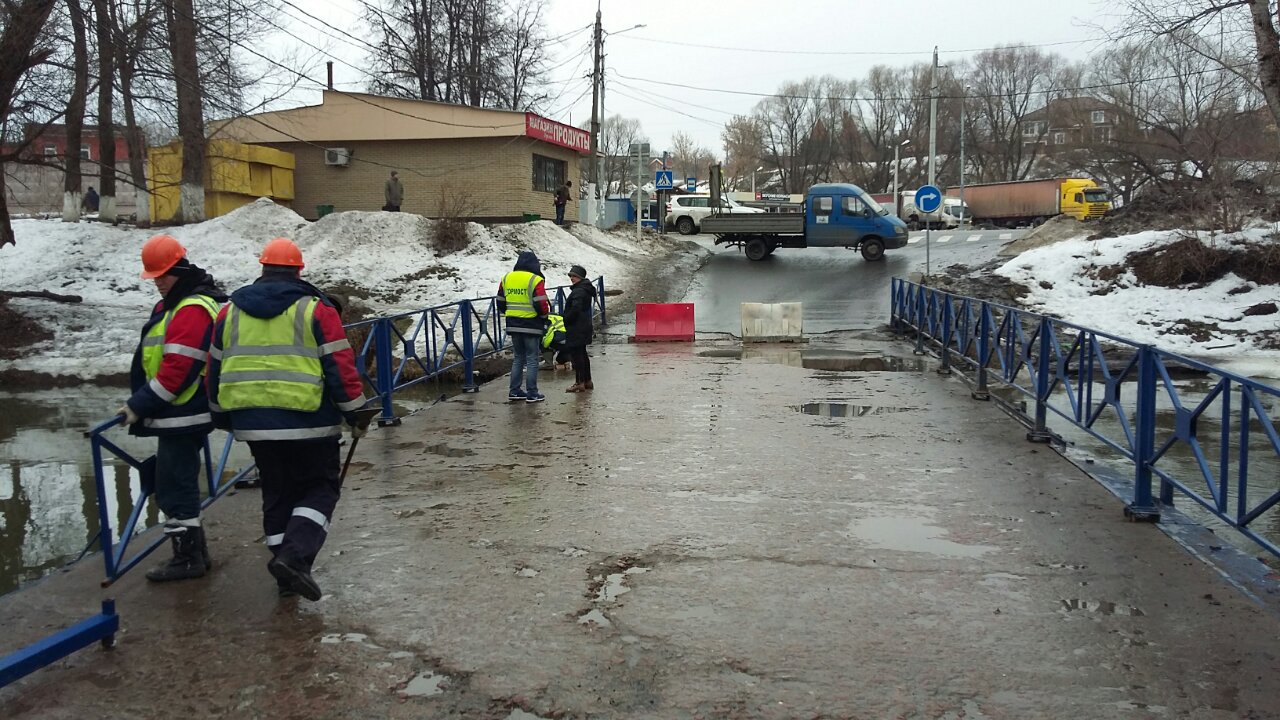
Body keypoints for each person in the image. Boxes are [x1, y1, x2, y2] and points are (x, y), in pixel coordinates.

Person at [206, 237, 369, 601]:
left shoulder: (228, 312)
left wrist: (220, 416)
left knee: (277, 492)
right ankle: (295, 559)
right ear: (299, 270)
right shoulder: (316, 310)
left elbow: (213, 369)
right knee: (320, 488)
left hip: (253, 423)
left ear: (262, 269)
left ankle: (284, 573)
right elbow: (339, 368)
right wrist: (356, 412)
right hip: (308, 419)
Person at [120, 234, 226, 582]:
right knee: (174, 482)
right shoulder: (179, 303)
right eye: (154, 278)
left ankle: (187, 559)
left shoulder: (192, 307)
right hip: (177, 411)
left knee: (174, 485)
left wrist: (139, 405)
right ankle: (197, 554)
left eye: (163, 276)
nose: (158, 284)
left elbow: (178, 370)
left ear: (179, 270)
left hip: (182, 412)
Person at [496, 251, 549, 403]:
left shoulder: (507, 278)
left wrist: (509, 313)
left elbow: (500, 300)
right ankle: (532, 393)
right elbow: (541, 303)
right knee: (532, 359)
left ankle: (514, 391)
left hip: (513, 324)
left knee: (518, 358)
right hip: (531, 324)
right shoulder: (535, 279)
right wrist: (544, 317)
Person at [562, 265, 595, 392]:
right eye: (570, 276)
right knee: (582, 353)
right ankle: (587, 381)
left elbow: (576, 308)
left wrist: (566, 318)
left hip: (577, 326)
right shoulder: (585, 289)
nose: (572, 278)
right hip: (584, 325)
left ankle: (579, 382)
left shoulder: (579, 291)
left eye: (574, 276)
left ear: (580, 277)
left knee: (577, 355)